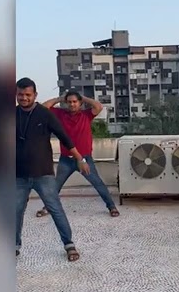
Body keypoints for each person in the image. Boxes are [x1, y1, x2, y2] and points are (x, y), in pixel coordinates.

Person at [15, 77, 90, 261]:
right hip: (18, 175)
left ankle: (69, 244)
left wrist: (80, 158)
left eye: (27, 94)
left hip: (43, 174)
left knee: (55, 209)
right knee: (15, 211)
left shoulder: (44, 114)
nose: (24, 98)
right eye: (20, 94)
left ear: (35, 95)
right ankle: (14, 245)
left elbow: (64, 137)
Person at [36, 90, 120, 218]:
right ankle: (47, 207)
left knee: (98, 183)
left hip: (84, 159)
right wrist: (60, 98)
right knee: (56, 185)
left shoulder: (86, 115)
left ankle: (111, 207)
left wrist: (83, 97)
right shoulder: (60, 114)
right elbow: (43, 108)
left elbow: (98, 106)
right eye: (69, 102)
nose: (72, 104)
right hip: (66, 160)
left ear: (80, 103)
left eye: (75, 101)